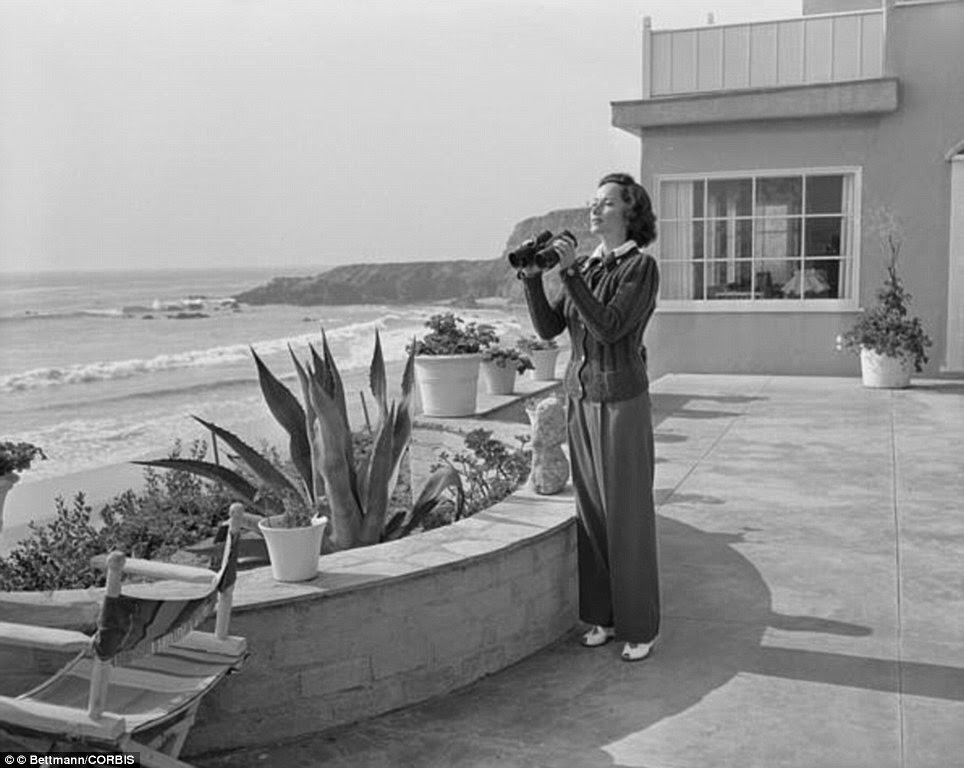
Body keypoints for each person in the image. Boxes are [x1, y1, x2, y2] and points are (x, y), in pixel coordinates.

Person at [519, 172, 660, 661]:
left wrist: (572, 271)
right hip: (581, 399)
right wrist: (534, 279)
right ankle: (601, 617)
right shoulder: (593, 266)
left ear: (629, 212)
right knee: (592, 513)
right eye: (592, 203)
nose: (594, 210)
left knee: (629, 516)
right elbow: (549, 327)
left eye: (605, 204)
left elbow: (609, 328)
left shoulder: (639, 269)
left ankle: (640, 626)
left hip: (622, 401)